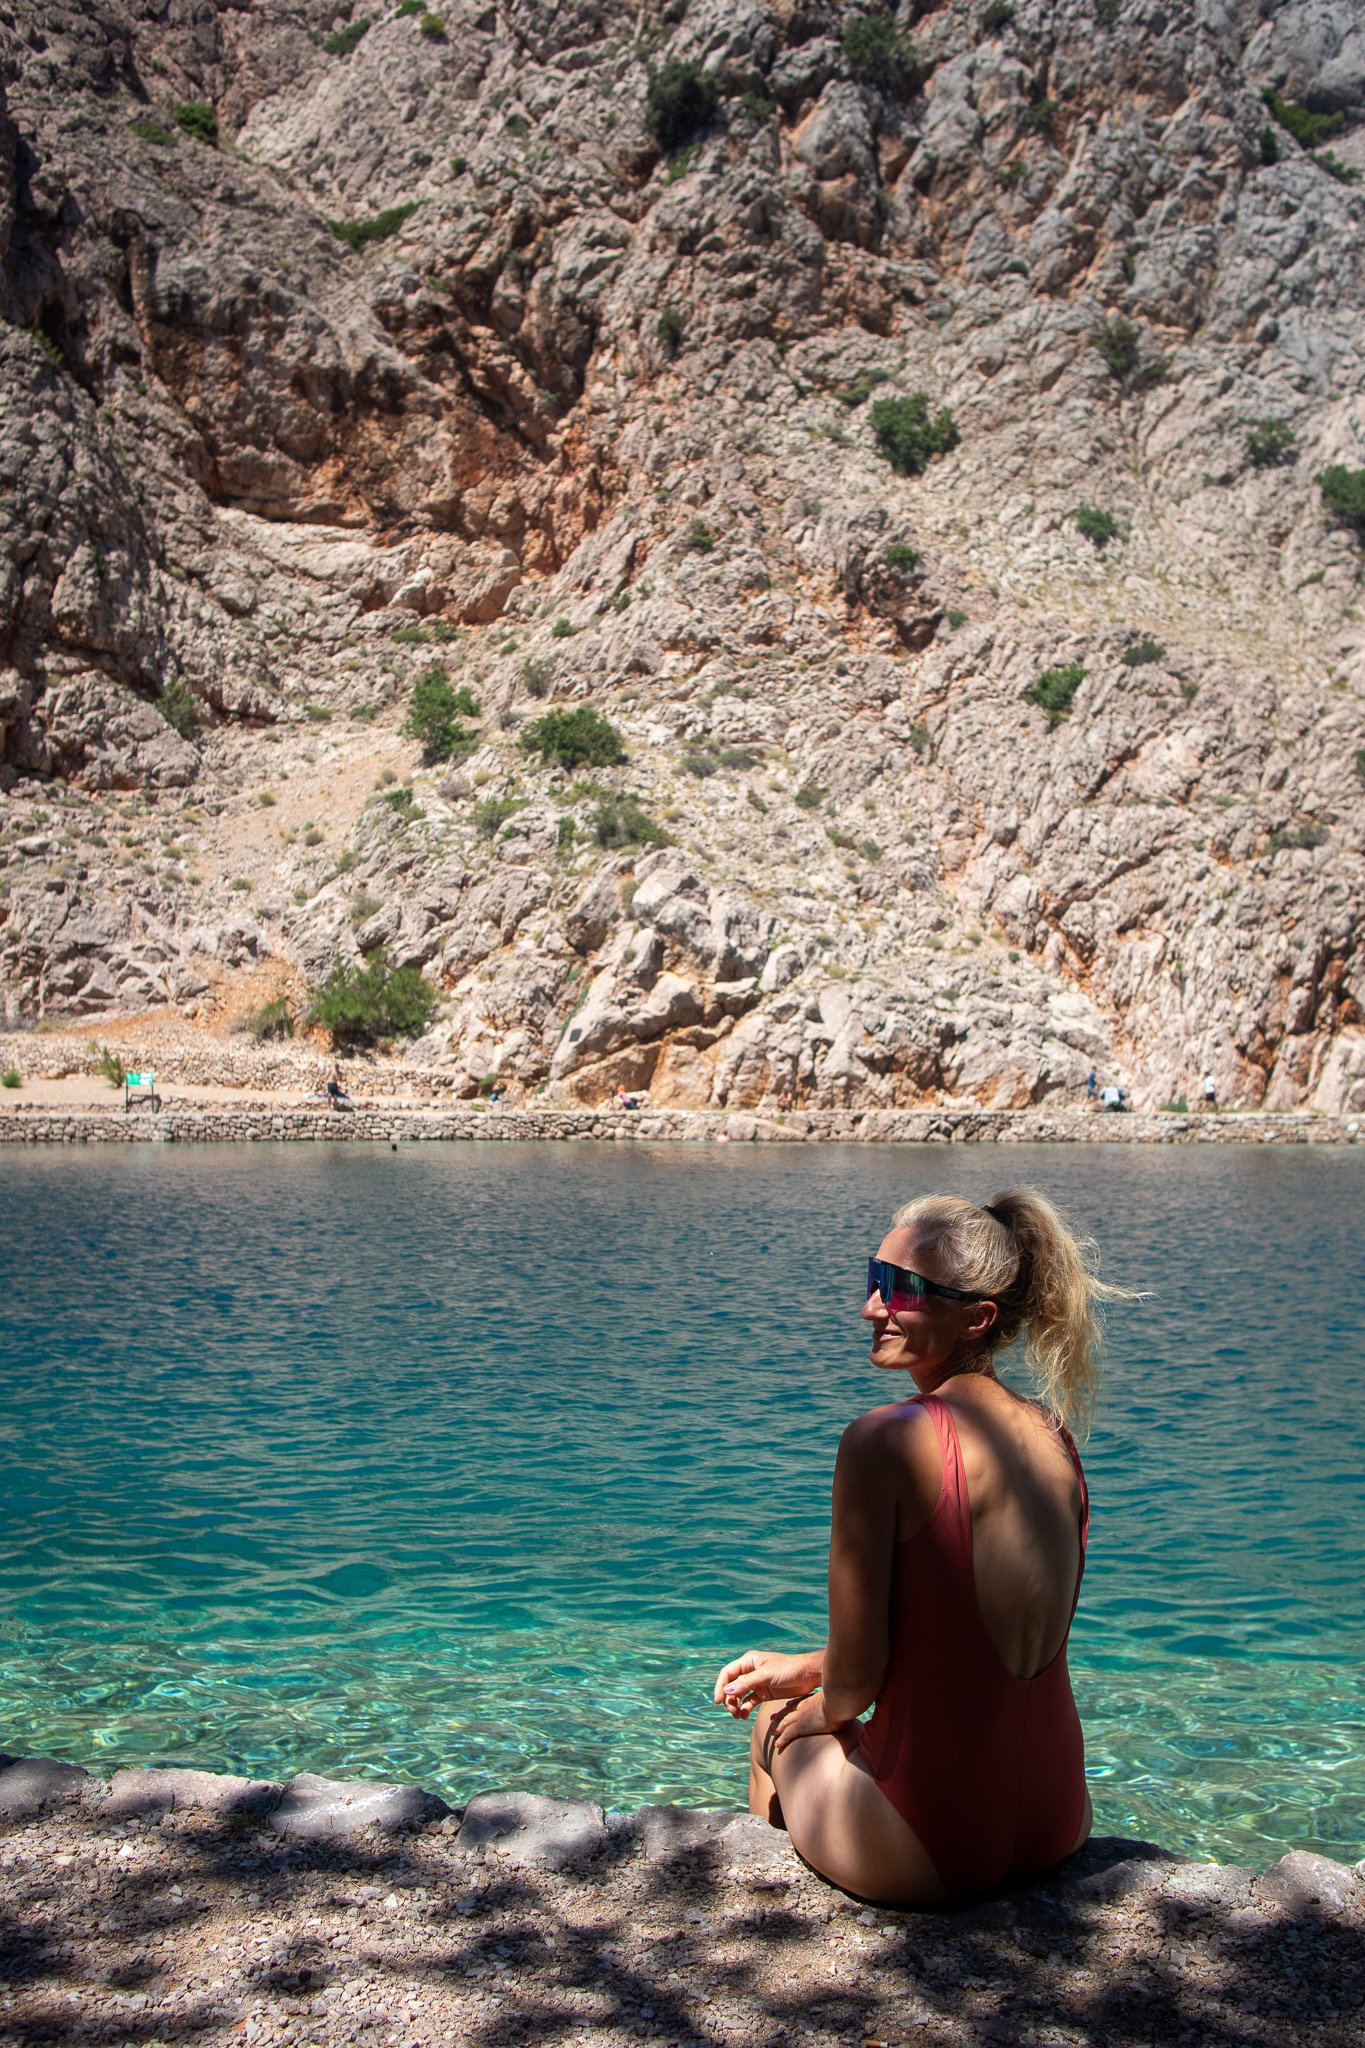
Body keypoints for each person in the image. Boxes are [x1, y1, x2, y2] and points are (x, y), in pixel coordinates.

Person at [713, 1187, 1129, 1907]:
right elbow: (958, 1646)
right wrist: (804, 1667)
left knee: (773, 1734)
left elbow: (855, 1687)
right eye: (873, 1280)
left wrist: (807, 1707)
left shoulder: (883, 1442)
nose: (873, 1308)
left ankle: (777, 1923)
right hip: (1057, 1819)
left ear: (976, 1318)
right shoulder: (1052, 1437)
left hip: (930, 1844)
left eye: (902, 1290)